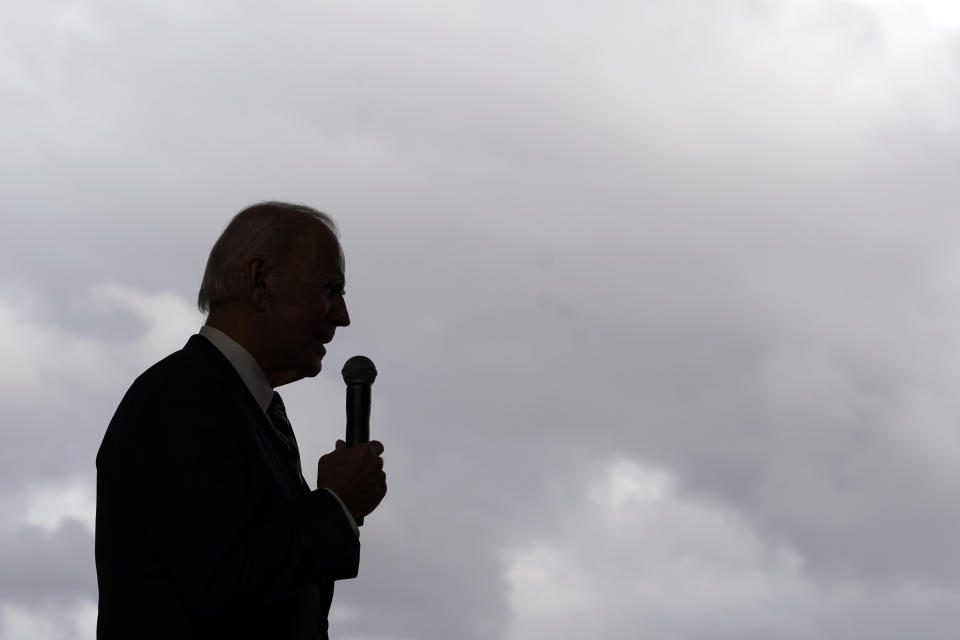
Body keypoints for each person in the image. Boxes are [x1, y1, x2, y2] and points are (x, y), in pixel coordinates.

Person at [95, 202, 387, 639]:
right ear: (259, 282)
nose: (342, 316)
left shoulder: (252, 410)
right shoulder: (180, 396)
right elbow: (220, 583)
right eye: (330, 288)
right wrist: (334, 506)